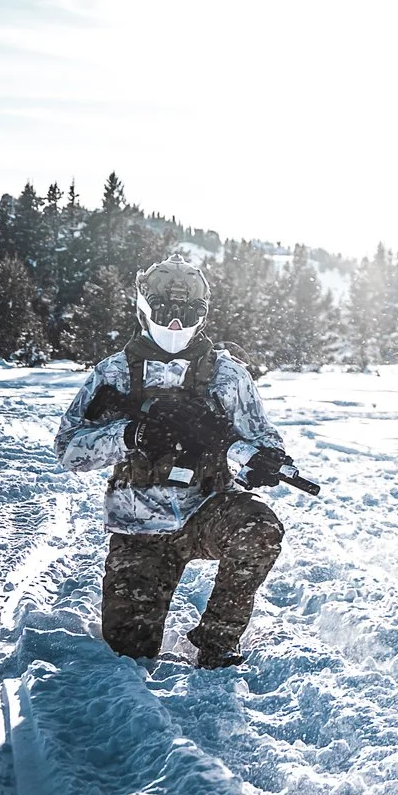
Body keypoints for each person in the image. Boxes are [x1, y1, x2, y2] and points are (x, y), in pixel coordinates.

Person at [55, 257, 299, 668]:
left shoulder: (228, 375)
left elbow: (261, 437)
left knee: (259, 528)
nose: (174, 324)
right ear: (145, 306)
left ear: (203, 314)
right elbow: (69, 450)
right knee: (128, 652)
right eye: (165, 310)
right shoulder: (113, 374)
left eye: (186, 313)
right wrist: (130, 435)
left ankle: (218, 640)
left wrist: (265, 461)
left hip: (206, 511)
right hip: (139, 527)